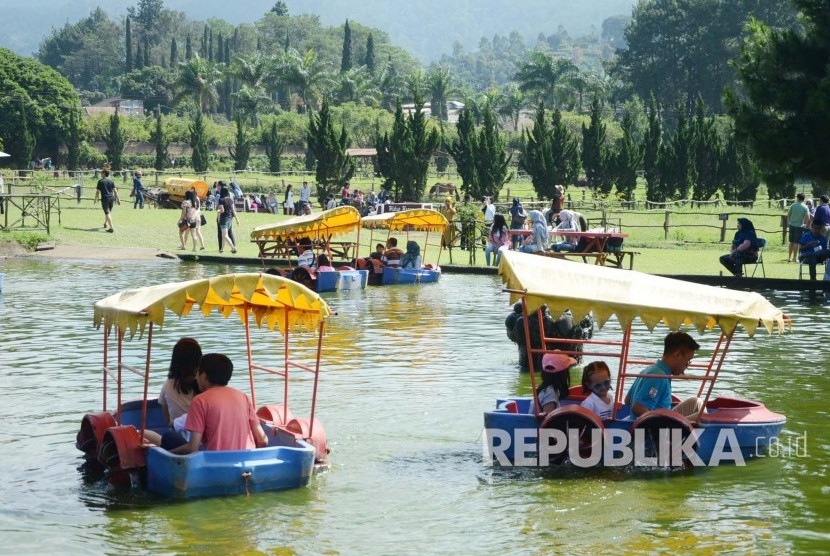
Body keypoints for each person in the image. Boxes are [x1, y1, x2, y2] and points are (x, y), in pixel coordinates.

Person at [167, 353, 268, 454]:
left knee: (168, 438)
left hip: (216, 465)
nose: (195, 377)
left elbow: (193, 448)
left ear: (204, 376)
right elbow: (263, 440)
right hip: (247, 465)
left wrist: (168, 453)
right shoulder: (243, 397)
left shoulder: (200, 401)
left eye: (197, 373)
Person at [624, 332, 703, 420]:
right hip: (658, 427)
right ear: (677, 355)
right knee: (702, 417)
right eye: (687, 361)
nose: (687, 365)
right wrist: (659, 423)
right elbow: (638, 408)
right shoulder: (659, 377)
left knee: (696, 402)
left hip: (664, 417)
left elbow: (627, 400)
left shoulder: (650, 370)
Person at [158, 338, 202, 425]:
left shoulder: (168, 384)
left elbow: (167, 416)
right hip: (200, 435)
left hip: (177, 434)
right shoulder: (203, 384)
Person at [787, 193, 810, 262]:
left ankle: (789, 257)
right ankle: (795, 258)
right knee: (796, 242)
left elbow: (788, 215)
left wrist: (789, 223)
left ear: (797, 198)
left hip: (791, 225)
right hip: (799, 226)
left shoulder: (793, 205)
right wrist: (805, 225)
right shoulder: (805, 207)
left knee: (791, 242)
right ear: (803, 199)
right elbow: (808, 218)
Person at [217, 187, 240, 254]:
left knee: (225, 235)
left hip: (223, 219)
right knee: (224, 234)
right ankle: (222, 249)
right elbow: (233, 210)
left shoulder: (221, 200)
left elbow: (222, 210)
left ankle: (233, 247)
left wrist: (218, 211)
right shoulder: (230, 199)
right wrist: (237, 219)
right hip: (230, 218)